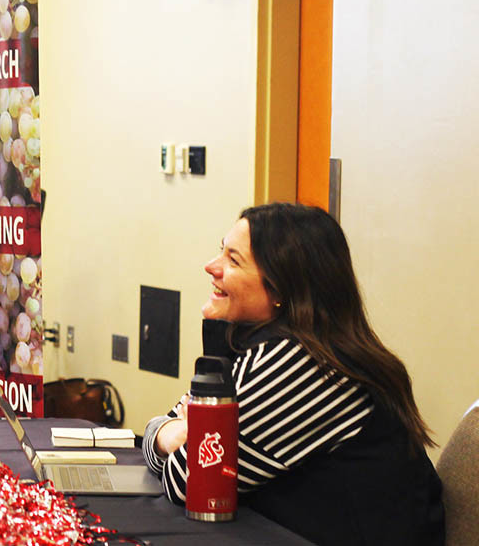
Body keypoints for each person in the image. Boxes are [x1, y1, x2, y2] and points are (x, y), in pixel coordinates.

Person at [142, 203, 444, 545]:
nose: (211, 267)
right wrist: (175, 434)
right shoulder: (270, 344)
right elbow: (163, 440)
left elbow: (191, 483)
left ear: (282, 289)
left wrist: (183, 433)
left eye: (233, 260)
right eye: (220, 250)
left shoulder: (302, 363)